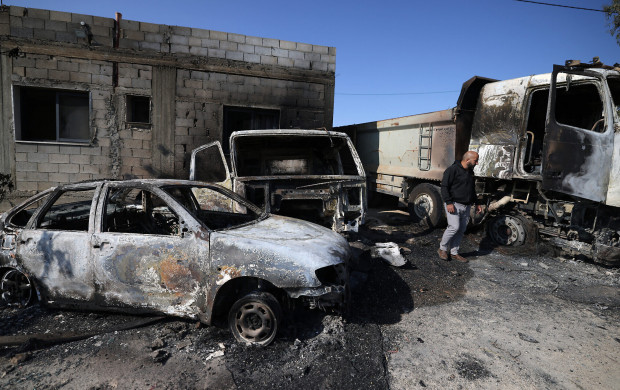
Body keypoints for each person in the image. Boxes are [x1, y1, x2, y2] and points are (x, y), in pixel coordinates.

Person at [437, 151, 482, 263]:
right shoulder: (452, 170)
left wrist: (477, 203)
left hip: (466, 206)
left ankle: (454, 253)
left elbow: (471, 189)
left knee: (461, 229)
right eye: (475, 160)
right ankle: (442, 249)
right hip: (454, 204)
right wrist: (448, 202)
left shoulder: (470, 171)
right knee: (454, 227)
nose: (477, 163)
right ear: (467, 160)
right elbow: (444, 186)